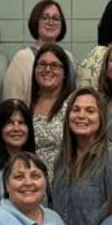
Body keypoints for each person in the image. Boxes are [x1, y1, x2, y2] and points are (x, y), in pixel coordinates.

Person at [51, 89, 112, 225]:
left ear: (101, 118)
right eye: (76, 110)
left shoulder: (111, 157)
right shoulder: (61, 160)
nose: (81, 115)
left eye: (90, 111)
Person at [2, 0, 76, 104]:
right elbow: (11, 101)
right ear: (36, 21)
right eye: (45, 18)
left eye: (56, 19)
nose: (51, 22)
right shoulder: (22, 58)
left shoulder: (69, 57)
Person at [29, 45, 72, 175]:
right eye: (42, 64)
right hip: (31, 183)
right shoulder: (26, 105)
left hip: (64, 181)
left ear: (65, 73)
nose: (47, 69)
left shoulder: (73, 106)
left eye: (54, 65)